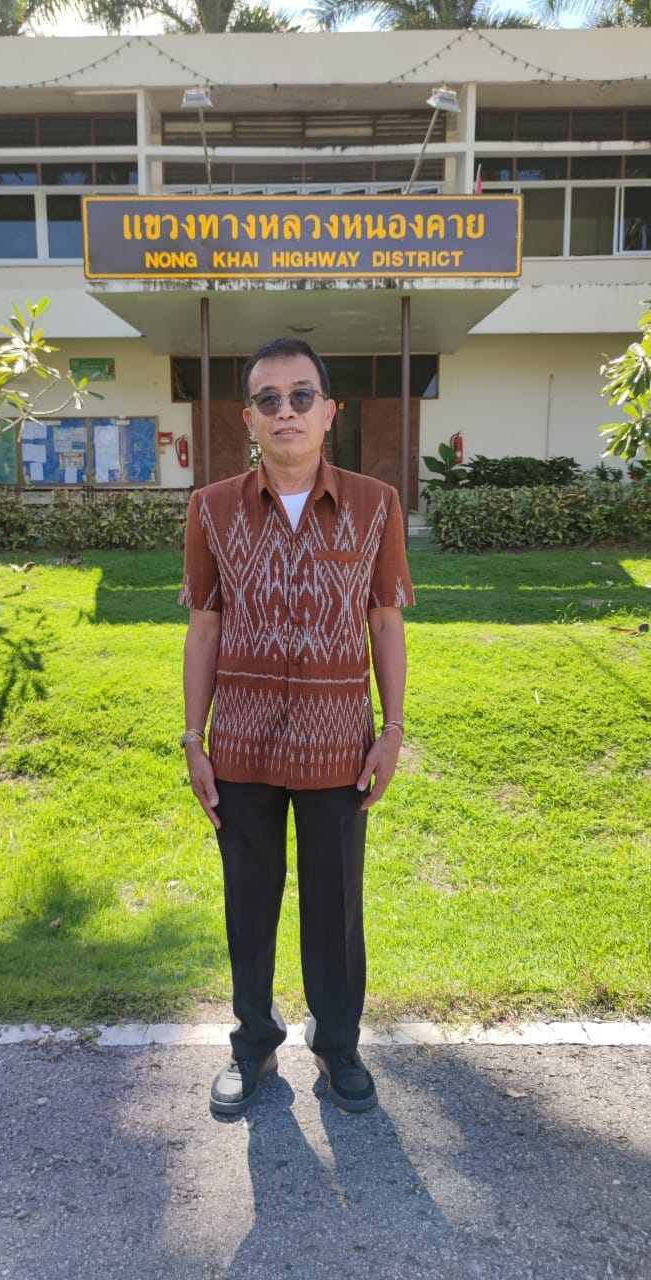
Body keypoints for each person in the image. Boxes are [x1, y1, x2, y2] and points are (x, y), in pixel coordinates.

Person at [179, 337, 414, 1116]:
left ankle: (338, 1045)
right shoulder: (211, 508)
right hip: (241, 746)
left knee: (335, 906)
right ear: (248, 417)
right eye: (269, 399)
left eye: (302, 396)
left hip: (339, 747)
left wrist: (392, 730)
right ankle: (253, 1043)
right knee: (248, 902)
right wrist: (194, 739)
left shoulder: (375, 504)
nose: (287, 411)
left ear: (329, 411)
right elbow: (204, 627)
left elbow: (385, 620)